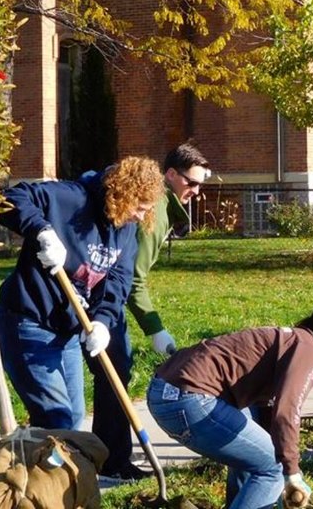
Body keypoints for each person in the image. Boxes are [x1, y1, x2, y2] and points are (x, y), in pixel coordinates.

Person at [0, 156, 164, 440]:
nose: (141, 216)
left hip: (68, 330)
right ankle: (52, 481)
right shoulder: (70, 199)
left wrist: (102, 321)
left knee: (72, 417)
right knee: (57, 418)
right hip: (28, 321)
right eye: (139, 207)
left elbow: (119, 279)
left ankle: (58, 478)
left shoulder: (126, 228)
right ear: (122, 194)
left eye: (147, 211)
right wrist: (42, 231)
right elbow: (7, 198)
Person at [147, 297, 313, 509]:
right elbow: (287, 412)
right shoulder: (308, 350)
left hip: (164, 391)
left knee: (255, 455)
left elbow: (267, 413)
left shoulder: (289, 340)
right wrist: (291, 472)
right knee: (272, 469)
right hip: (190, 399)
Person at [92, 142, 211, 480]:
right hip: (102, 299)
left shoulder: (161, 207)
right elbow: (133, 278)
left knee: (115, 371)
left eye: (201, 184)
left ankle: (108, 457)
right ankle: (112, 461)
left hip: (103, 294)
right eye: (192, 183)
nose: (197, 191)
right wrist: (155, 329)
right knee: (115, 371)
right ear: (171, 174)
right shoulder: (155, 211)